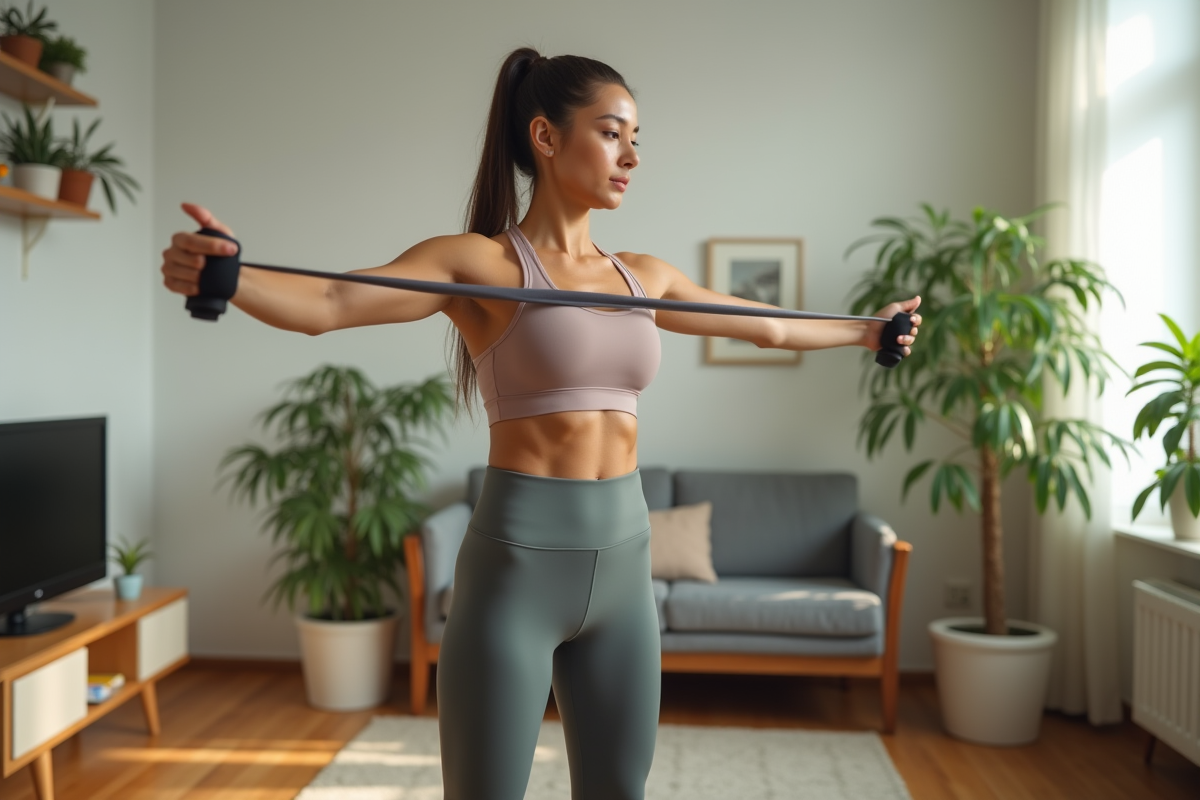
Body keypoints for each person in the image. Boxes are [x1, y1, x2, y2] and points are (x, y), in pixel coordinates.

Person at [160, 47, 920, 800]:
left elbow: (772, 328)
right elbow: (329, 305)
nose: (631, 156)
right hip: (517, 569)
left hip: (626, 562)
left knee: (619, 790)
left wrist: (867, 330)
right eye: (612, 132)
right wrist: (230, 274)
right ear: (546, 138)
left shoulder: (642, 276)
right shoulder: (483, 265)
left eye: (636, 140)